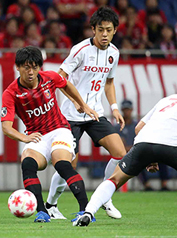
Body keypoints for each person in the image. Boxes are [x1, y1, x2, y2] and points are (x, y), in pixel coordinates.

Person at [1, 46, 99, 223]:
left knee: (62, 164)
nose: (31, 72)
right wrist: (24, 138)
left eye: (35, 67)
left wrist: (81, 104)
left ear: (40, 67)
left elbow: (67, 84)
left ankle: (86, 211)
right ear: (17, 67)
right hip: (37, 136)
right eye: (26, 67)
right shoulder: (11, 93)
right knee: (28, 164)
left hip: (59, 130)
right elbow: (6, 127)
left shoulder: (50, 77)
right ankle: (42, 211)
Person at [45, 6, 126, 220]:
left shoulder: (114, 54)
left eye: (109, 30)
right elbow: (59, 78)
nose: (105, 34)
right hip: (70, 116)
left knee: (120, 153)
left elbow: (109, 83)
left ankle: (104, 196)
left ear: (115, 30)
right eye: (101, 30)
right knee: (69, 165)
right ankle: (51, 205)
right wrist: (76, 101)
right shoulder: (80, 50)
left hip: (95, 114)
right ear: (93, 29)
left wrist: (115, 108)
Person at [74, 94, 177, 227]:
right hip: (171, 145)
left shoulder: (167, 99)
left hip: (144, 142)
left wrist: (151, 158)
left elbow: (138, 127)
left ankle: (88, 213)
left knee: (114, 179)